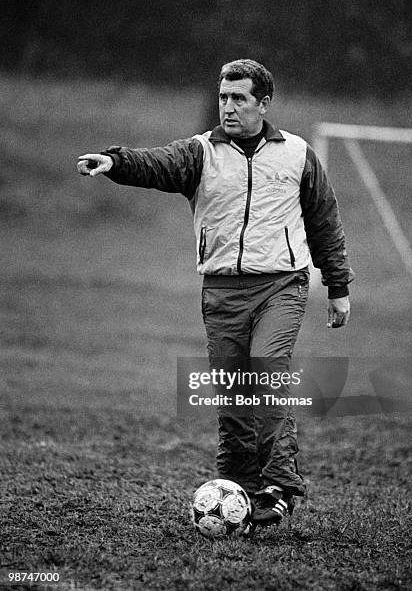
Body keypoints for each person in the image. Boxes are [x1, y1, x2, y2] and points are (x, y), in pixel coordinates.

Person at [77, 59, 354, 529]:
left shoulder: (298, 154)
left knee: (266, 370)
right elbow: (158, 163)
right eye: (224, 97)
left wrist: (338, 286)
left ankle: (280, 486)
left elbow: (324, 219)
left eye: (239, 98)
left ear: (263, 104)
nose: (228, 106)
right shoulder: (200, 153)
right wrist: (115, 162)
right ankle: (240, 486)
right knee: (231, 392)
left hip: (281, 285)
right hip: (221, 291)